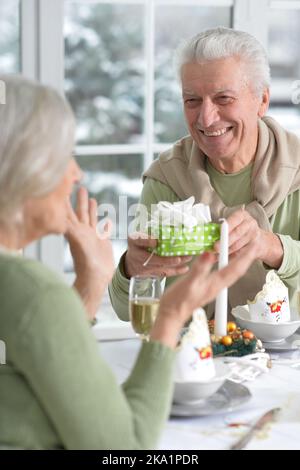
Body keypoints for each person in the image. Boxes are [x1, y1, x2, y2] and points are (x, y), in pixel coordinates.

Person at [0, 75, 256, 450]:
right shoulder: (32, 291)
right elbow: (125, 448)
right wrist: (170, 315)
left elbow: (53, 381)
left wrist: (92, 281)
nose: (76, 173)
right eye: (63, 156)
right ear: (25, 166)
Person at [109, 26, 300, 322]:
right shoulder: (166, 178)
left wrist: (272, 247)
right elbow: (126, 311)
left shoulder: (297, 169)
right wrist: (133, 269)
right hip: (191, 355)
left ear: (261, 100)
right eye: (192, 100)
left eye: (223, 98)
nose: (206, 118)